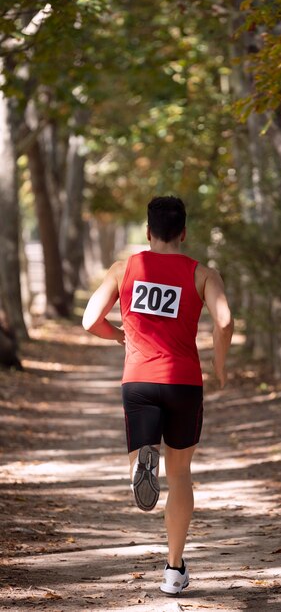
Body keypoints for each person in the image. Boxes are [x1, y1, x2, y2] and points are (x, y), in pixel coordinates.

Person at [82, 196, 233, 595]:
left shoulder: (124, 268)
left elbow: (89, 320)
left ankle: (141, 461)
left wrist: (121, 337)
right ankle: (173, 569)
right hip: (183, 381)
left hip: (139, 380)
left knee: (146, 451)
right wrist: (219, 365)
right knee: (181, 473)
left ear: (148, 233)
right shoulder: (202, 273)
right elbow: (225, 320)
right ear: (184, 232)